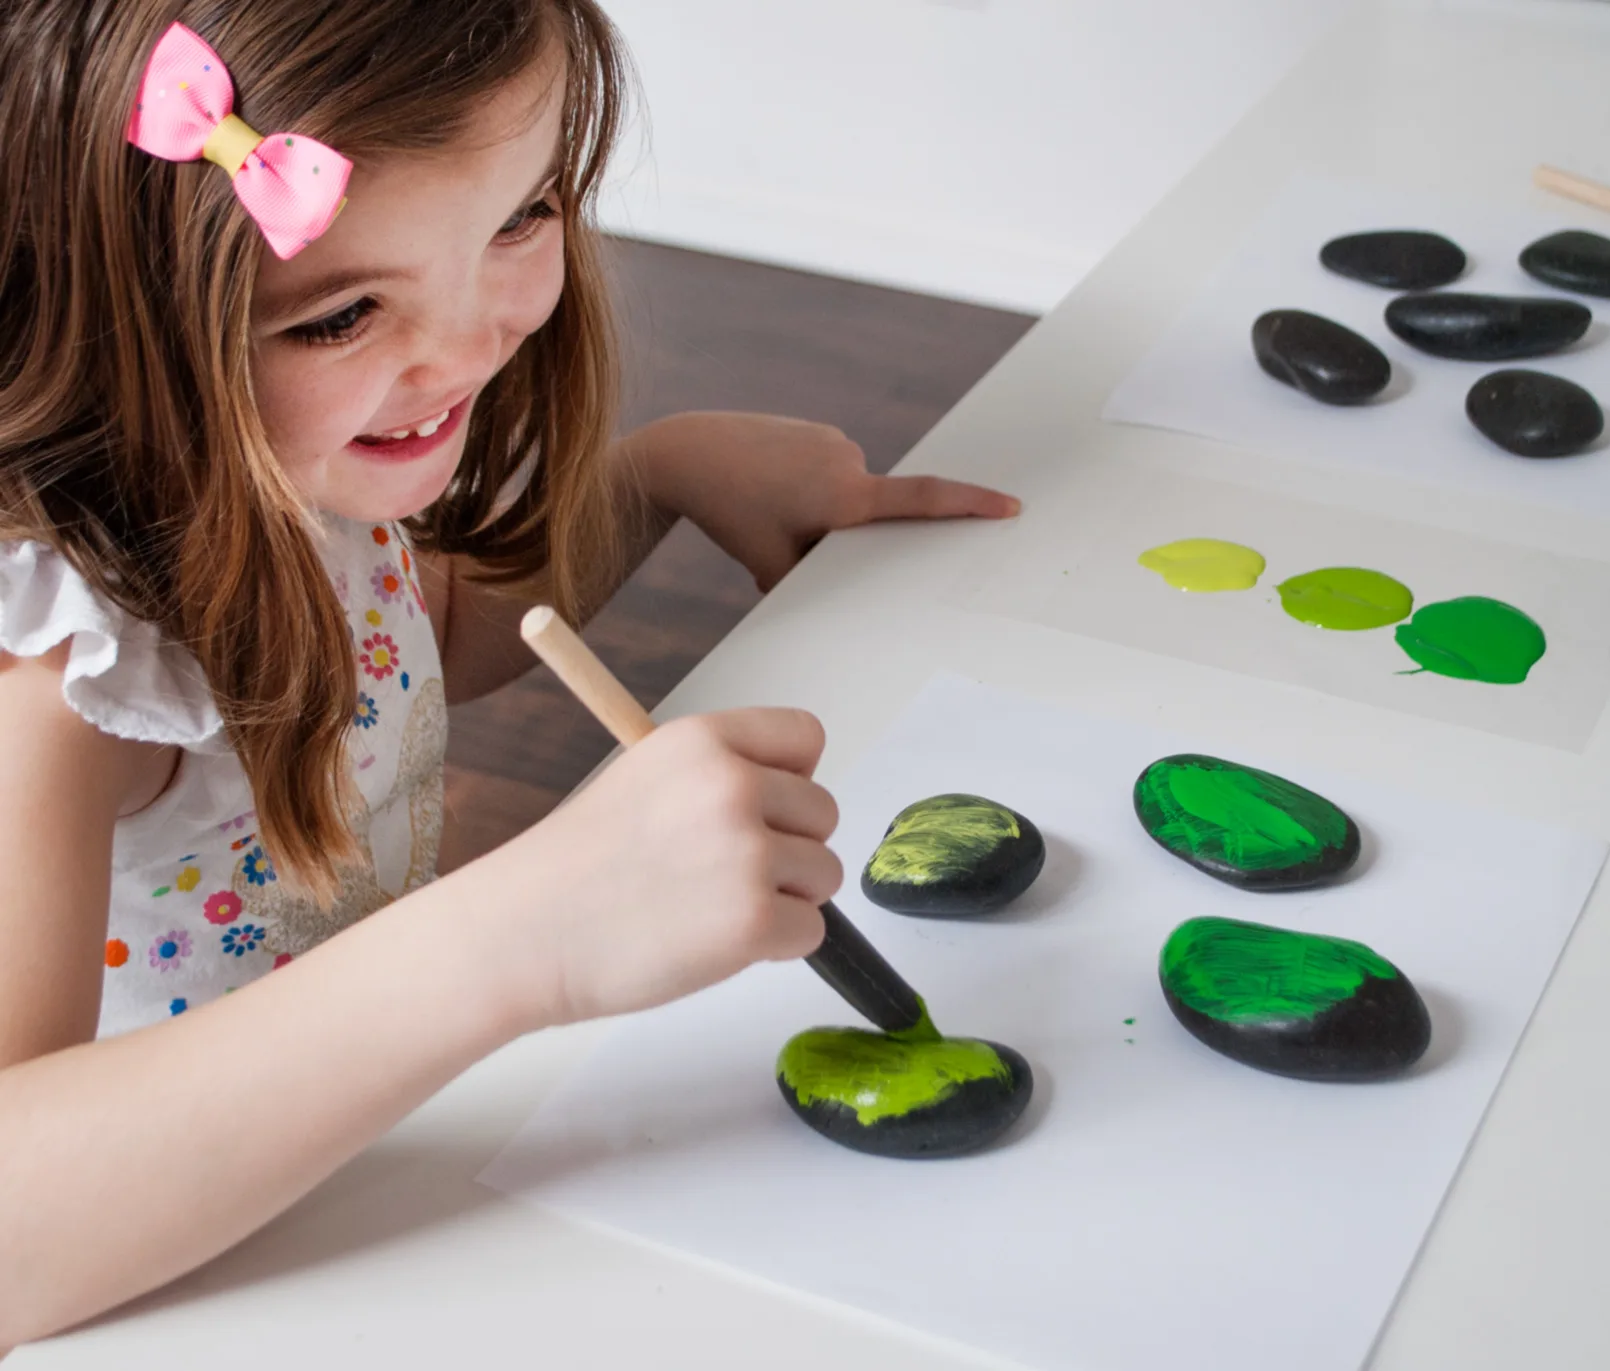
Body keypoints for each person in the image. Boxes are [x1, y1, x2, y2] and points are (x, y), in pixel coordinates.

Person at [0, 0, 1018, 1346]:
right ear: (114, 302)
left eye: (519, 221)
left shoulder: (288, 465)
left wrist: (656, 479)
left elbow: (414, 647)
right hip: (210, 1283)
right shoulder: (65, 668)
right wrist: (521, 936)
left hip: (399, 1170)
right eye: (345, 312)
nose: (469, 344)